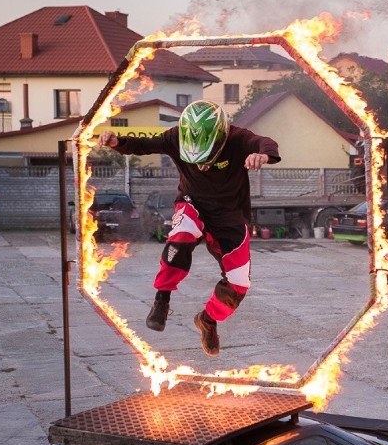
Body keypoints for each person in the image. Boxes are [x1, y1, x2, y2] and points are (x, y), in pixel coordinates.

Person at [99, 100, 280, 356]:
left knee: (239, 283)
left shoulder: (238, 138)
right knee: (181, 236)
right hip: (192, 203)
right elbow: (146, 144)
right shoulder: (175, 136)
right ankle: (162, 300)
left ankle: (208, 320)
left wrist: (263, 155)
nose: (202, 165)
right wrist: (118, 142)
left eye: (208, 158)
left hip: (229, 215)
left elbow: (265, 142)